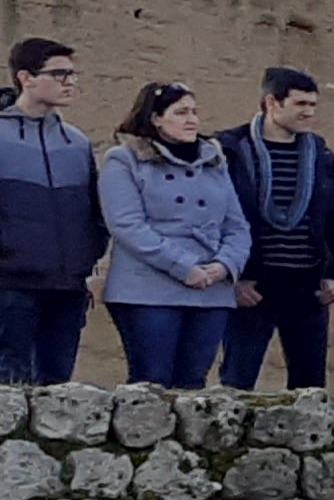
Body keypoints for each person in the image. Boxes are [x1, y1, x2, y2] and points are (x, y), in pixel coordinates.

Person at [97, 80, 250, 388]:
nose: (191, 119)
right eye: (180, 112)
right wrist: (183, 266)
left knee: (192, 382)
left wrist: (224, 265)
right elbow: (127, 225)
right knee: (152, 381)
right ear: (156, 118)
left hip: (210, 290)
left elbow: (237, 226)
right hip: (147, 289)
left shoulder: (214, 160)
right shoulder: (124, 159)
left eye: (194, 112)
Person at [219, 66, 334, 391]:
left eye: (313, 105)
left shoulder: (320, 154)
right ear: (272, 103)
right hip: (254, 285)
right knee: (238, 380)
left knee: (310, 385)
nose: (309, 113)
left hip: (308, 285)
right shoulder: (230, 150)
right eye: (300, 105)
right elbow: (217, 217)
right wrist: (232, 277)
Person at [0, 39, 103, 385]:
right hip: (10, 284)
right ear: (26, 78)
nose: (70, 82)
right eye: (59, 74)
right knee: (8, 388)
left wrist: (85, 262)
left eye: (73, 74)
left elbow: (94, 213)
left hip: (67, 287)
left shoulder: (77, 142)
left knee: (58, 390)